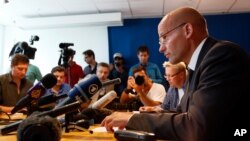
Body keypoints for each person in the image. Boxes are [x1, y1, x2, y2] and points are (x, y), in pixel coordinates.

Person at [101, 7, 250, 141]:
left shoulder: (221, 56)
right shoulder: (198, 65)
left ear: (187, 30)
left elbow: (196, 128)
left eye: (164, 38)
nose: (161, 49)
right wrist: (137, 116)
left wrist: (134, 119)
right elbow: (181, 112)